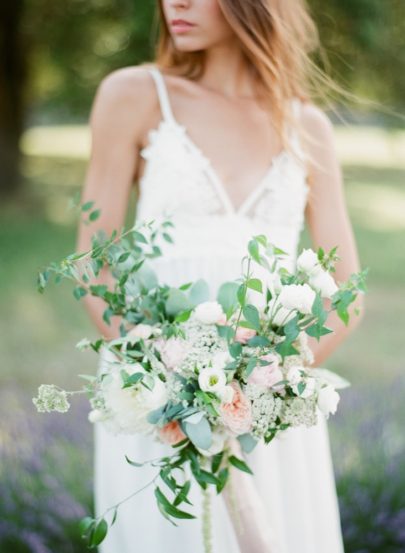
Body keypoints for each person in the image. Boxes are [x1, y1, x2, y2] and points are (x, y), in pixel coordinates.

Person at [76, 0, 364, 551]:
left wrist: (259, 387)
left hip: (268, 409)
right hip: (157, 402)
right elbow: (95, 258)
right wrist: (168, 384)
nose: (174, 3)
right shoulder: (133, 95)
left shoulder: (308, 127)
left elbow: (346, 293)